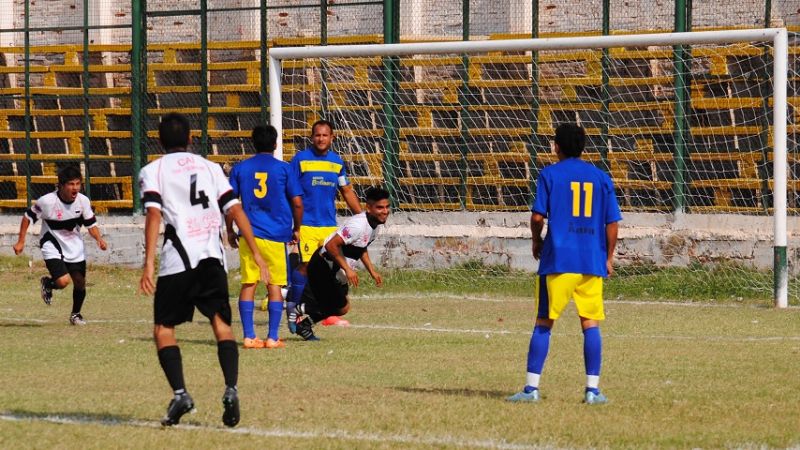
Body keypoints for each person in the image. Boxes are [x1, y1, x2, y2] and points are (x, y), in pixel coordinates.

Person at [138, 113, 268, 428]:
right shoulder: (210, 168)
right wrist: (257, 255)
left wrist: (148, 262)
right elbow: (235, 209)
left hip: (178, 260)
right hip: (212, 258)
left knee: (164, 330)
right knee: (222, 325)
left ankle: (181, 393)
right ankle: (231, 389)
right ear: (192, 139)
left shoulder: (152, 170)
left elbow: (154, 214)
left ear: (158, 140)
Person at [507, 123, 621, 405]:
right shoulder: (601, 178)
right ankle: (593, 391)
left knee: (544, 323)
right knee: (590, 324)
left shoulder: (549, 174)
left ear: (555, 146)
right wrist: (607, 257)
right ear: (583, 147)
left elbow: (537, 218)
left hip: (557, 259)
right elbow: (612, 223)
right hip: (590, 261)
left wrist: (536, 241)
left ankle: (531, 389)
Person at [226, 125, 303, 350]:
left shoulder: (240, 169)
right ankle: (271, 337)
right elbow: (297, 202)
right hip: (276, 235)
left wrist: (230, 230)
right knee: (275, 286)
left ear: (253, 143)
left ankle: (249, 336)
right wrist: (296, 228)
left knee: (248, 283)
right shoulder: (284, 169)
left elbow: (230, 204)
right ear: (275, 143)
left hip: (249, 235)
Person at [287, 119, 362, 337]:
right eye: (317, 135)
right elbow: (289, 189)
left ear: (332, 138)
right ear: (312, 138)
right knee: (305, 266)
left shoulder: (337, 163)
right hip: (307, 225)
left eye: (325, 135)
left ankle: (317, 311)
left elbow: (346, 190)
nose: (321, 139)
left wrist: (362, 216)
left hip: (329, 225)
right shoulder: (300, 160)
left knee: (330, 271)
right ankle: (292, 308)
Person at [12, 165, 108, 325]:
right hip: (52, 243)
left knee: (80, 282)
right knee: (63, 282)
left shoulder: (83, 201)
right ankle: (50, 283)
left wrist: (99, 239)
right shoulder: (47, 201)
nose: (75, 188)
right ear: (61, 185)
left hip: (74, 245)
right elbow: (27, 217)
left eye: (78, 184)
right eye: (71, 184)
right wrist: (21, 241)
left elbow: (91, 225)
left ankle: (75, 314)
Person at [293, 187, 390, 341]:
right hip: (323, 265)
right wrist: (348, 269)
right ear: (368, 208)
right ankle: (301, 308)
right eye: (379, 207)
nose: (384, 211)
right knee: (341, 306)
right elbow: (331, 245)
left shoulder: (375, 226)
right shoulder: (357, 225)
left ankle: (304, 322)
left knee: (340, 305)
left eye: (386, 207)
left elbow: (361, 247)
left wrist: (372, 271)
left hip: (336, 269)